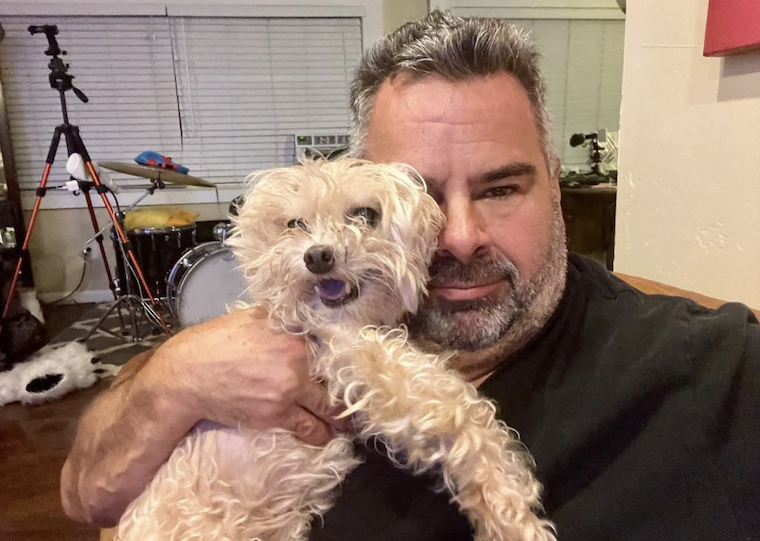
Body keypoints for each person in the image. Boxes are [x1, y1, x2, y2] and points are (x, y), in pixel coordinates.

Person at [61, 11, 760, 540]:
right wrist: (171, 377)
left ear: (554, 185)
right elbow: (85, 495)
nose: (459, 236)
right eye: (419, 195)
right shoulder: (268, 343)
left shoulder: (710, 365)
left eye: (501, 188)